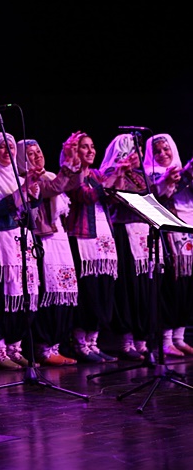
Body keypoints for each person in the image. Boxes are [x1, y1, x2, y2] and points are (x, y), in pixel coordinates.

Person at [16, 136, 82, 366]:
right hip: (42, 239)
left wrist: (74, 160)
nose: (37, 157)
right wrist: (68, 166)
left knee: (63, 292)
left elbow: (72, 184)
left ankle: (55, 345)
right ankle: (43, 348)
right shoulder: (27, 181)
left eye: (39, 152)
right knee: (48, 293)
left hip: (59, 236)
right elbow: (54, 189)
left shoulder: (49, 175)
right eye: (30, 154)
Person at [98, 133, 161, 362]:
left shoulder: (141, 175)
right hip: (124, 235)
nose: (140, 154)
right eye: (135, 150)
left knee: (145, 287)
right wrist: (121, 172)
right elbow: (113, 199)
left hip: (144, 235)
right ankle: (126, 342)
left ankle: (142, 341)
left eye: (140, 150)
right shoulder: (111, 173)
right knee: (128, 289)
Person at [64, 133, 121, 363]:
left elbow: (112, 198)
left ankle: (93, 342)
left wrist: (120, 174)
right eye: (84, 147)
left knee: (103, 290)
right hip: (83, 238)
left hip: (104, 238)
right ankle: (80, 344)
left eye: (92, 146)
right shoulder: (72, 175)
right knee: (88, 293)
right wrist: (113, 177)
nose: (90, 151)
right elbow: (86, 196)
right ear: (75, 151)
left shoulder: (97, 174)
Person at [0, 131, 37, 369]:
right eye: (2, 147)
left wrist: (31, 190)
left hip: (21, 237)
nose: (7, 151)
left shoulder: (17, 175)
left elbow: (30, 206)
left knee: (24, 292)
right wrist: (22, 191)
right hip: (0, 239)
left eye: (11, 147)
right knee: (2, 295)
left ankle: (16, 346)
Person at [143, 133, 193, 357]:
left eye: (166, 149)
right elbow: (158, 197)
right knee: (171, 288)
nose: (163, 154)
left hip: (189, 233)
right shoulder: (150, 175)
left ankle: (179, 337)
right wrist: (177, 177)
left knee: (187, 288)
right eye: (157, 151)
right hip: (170, 237)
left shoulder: (182, 171)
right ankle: (166, 340)